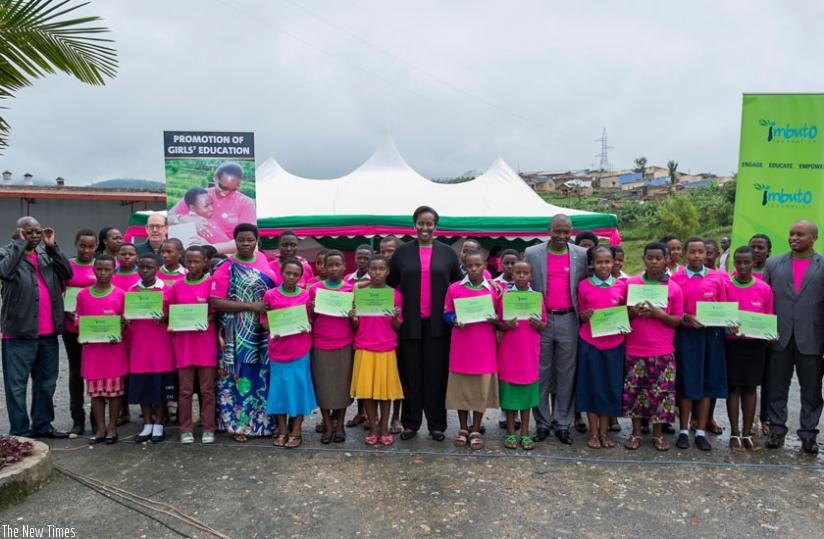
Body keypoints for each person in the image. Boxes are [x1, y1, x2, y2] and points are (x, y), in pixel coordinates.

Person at [387, 206, 462, 442]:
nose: (425, 228)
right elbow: (389, 285)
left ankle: (437, 424)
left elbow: (459, 286)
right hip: (409, 325)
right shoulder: (402, 253)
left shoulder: (448, 254)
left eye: (430, 224)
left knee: (436, 375)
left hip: (438, 327)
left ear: (436, 226)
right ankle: (410, 423)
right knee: (410, 375)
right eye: (421, 223)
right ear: (414, 225)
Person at [0, 216, 72, 438]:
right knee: (16, 387)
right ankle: (21, 431)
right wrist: (20, 246)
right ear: (19, 232)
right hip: (19, 333)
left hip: (48, 334)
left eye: (37, 232)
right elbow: (4, 272)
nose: (34, 236)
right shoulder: (6, 252)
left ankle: (43, 425)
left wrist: (52, 247)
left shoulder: (45, 253)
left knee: (46, 383)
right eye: (29, 232)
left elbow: (67, 274)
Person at [524, 214, 588, 445]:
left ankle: (562, 423)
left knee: (566, 373)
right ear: (549, 229)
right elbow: (523, 284)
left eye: (566, 231)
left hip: (569, 319)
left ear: (571, 231)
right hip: (540, 320)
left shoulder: (580, 255)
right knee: (540, 373)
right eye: (557, 231)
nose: (561, 236)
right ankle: (541, 423)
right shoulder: (532, 253)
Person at [211, 223, 277, 442]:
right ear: (235, 241)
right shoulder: (226, 266)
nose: (246, 244)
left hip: (262, 331)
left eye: (250, 240)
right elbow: (216, 302)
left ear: (256, 240)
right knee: (240, 378)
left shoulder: (264, 261)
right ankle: (239, 425)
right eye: (241, 240)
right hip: (237, 334)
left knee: (261, 376)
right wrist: (251, 307)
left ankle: (263, 423)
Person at [763, 220, 824, 454]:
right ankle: (777, 430)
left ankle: (809, 435)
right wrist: (765, 330)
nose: (793, 238)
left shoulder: (822, 265)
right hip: (779, 337)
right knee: (777, 387)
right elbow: (765, 301)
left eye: (800, 234)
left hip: (813, 339)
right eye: (791, 234)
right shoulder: (773, 263)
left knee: (812, 391)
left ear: (813, 238)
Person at [622, 242, 683, 451]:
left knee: (662, 394)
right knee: (636, 392)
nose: (654, 262)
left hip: (663, 350)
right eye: (650, 258)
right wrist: (632, 312)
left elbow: (677, 320)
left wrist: (660, 314)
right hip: (635, 349)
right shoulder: (631, 283)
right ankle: (636, 433)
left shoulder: (674, 288)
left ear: (667, 260)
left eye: (659, 258)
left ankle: (657, 435)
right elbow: (620, 315)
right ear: (643, 259)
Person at [670, 237, 729, 451]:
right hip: (686, 337)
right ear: (685, 254)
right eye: (692, 251)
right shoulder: (676, 279)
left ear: (706, 254)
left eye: (701, 252)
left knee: (707, 382)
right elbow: (673, 310)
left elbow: (724, 308)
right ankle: (684, 430)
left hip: (711, 337)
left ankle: (701, 430)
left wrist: (729, 322)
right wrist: (686, 317)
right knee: (687, 381)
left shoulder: (717, 278)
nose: (697, 256)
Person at [443, 250, 501, 450]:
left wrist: (496, 320)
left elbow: (502, 314)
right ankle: (462, 428)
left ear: (485, 265)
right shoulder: (454, 288)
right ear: (464, 266)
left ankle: (475, 428)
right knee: (461, 388)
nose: (474, 269)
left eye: (478, 265)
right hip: (462, 343)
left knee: (480, 389)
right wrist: (453, 320)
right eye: (470, 266)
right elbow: (447, 312)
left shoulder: (495, 290)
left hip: (484, 345)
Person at [576, 247, 627, 449]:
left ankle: (605, 432)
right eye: (599, 262)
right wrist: (583, 316)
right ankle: (593, 432)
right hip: (590, 343)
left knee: (610, 387)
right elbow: (579, 314)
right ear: (591, 264)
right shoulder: (582, 286)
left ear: (614, 262)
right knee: (591, 387)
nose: (604, 266)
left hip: (615, 344)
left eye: (608, 262)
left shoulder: (622, 286)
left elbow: (625, 313)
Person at [261, 259, 316, 449]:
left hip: (300, 350)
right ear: (281, 273)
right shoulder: (270, 295)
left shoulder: (306, 296)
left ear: (301, 277)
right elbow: (264, 323)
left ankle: (297, 431)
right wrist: (276, 325)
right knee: (279, 392)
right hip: (278, 351)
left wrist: (303, 326)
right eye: (288, 273)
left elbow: (310, 322)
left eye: (295, 274)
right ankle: (283, 430)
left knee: (299, 389)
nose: (291, 277)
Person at [350, 255, 404, 446]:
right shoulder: (360, 294)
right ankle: (373, 427)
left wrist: (396, 316)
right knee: (367, 392)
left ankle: (384, 427)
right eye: (374, 269)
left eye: (382, 269)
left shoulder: (395, 295)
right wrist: (354, 318)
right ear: (368, 271)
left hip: (386, 348)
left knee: (385, 392)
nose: (378, 272)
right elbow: (356, 326)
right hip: (364, 347)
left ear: (388, 271)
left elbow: (397, 327)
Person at [724, 246, 773, 452]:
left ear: (755, 263)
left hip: (755, 345)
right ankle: (734, 434)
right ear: (734, 263)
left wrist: (771, 333)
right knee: (733, 388)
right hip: (732, 343)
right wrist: (728, 324)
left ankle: (747, 434)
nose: (743, 267)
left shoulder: (764, 288)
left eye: (747, 262)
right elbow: (720, 314)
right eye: (739, 262)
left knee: (751, 388)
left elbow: (768, 317)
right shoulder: (725, 285)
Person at [76, 254, 127, 444]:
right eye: (99, 269)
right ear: (93, 270)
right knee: (96, 393)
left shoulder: (120, 294)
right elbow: (78, 318)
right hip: (93, 351)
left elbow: (124, 319)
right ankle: (100, 428)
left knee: (114, 392)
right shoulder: (83, 295)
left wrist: (119, 330)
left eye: (107, 269)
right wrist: (83, 334)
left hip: (113, 350)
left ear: (114, 271)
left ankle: (112, 427)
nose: (103, 273)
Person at [170, 246, 218, 444]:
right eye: (189, 261)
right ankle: (186, 429)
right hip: (184, 343)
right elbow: (172, 312)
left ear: (205, 262)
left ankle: (208, 428)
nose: (192, 265)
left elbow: (216, 311)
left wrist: (205, 319)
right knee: (185, 390)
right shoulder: (177, 286)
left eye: (197, 261)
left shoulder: (211, 284)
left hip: (205, 343)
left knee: (207, 390)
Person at [497, 260, 546, 450]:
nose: (522, 276)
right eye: (518, 273)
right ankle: (510, 431)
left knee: (527, 392)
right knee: (509, 392)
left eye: (526, 273)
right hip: (509, 350)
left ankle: (525, 432)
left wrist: (538, 324)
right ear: (512, 275)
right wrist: (504, 326)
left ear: (531, 276)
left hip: (529, 350)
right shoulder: (505, 297)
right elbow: (498, 322)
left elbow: (543, 323)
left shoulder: (537, 298)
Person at [127, 253, 175, 444]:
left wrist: (166, 318)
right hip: (140, 346)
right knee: (143, 387)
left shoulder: (167, 290)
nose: (145, 270)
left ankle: (159, 424)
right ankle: (147, 423)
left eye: (150, 267)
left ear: (157, 268)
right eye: (142, 267)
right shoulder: (131, 291)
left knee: (160, 387)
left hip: (161, 346)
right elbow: (126, 316)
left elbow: (176, 317)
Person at [309, 249, 355, 443]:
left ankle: (340, 425)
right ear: (324, 267)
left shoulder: (350, 290)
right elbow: (309, 320)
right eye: (330, 265)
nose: (334, 268)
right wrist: (314, 310)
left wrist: (353, 316)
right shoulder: (314, 289)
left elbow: (356, 323)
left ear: (345, 267)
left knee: (342, 388)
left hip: (344, 343)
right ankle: (327, 425)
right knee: (323, 387)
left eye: (338, 265)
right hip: (320, 344)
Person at [62, 229, 98, 436]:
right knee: (76, 373)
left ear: (96, 247)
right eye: (82, 245)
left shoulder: (102, 265)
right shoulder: (67, 265)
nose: (86, 250)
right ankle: (77, 419)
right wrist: (65, 311)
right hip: (72, 328)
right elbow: (59, 291)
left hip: (96, 329)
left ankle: (96, 418)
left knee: (94, 373)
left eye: (91, 246)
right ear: (76, 244)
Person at [167, 162, 257, 243]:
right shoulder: (199, 196)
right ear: (215, 177)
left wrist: (211, 248)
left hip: (228, 255)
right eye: (223, 187)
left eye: (233, 189)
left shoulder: (246, 203)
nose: (226, 192)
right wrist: (185, 219)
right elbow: (168, 219)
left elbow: (247, 240)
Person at [378, 236, 403, 434]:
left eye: (391, 251)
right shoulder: (376, 274)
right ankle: (377, 419)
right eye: (383, 251)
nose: (387, 255)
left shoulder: (404, 273)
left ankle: (396, 417)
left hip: (403, 330)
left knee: (398, 376)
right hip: (379, 335)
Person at [749, 233, 772, 435]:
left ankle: (766, 417)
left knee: (768, 379)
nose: (756, 251)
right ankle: (745, 422)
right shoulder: (736, 274)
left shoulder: (773, 273)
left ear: (769, 252)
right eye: (753, 247)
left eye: (761, 248)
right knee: (746, 383)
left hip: (765, 336)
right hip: (742, 338)